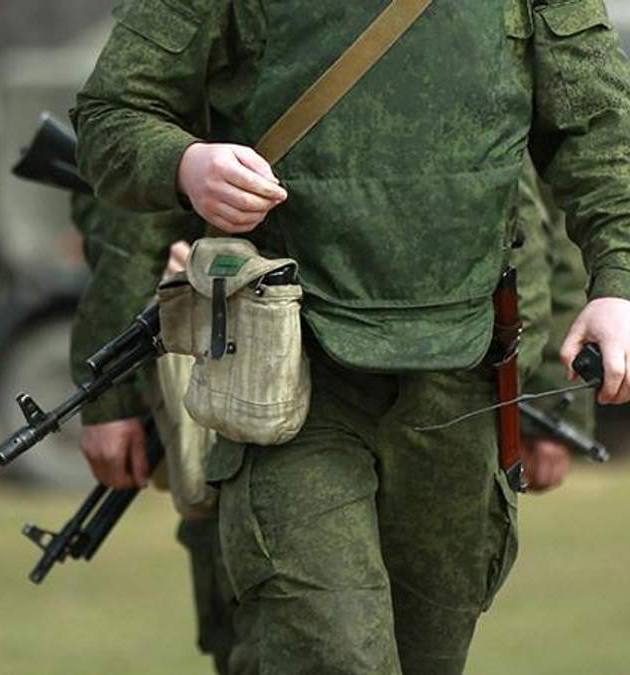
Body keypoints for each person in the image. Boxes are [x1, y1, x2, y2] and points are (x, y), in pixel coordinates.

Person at [73, 1, 630, 672]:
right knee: (334, 656)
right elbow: (110, 115)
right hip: (293, 379)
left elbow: (599, 128)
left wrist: (618, 282)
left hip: (462, 379)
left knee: (429, 656)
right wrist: (185, 164)